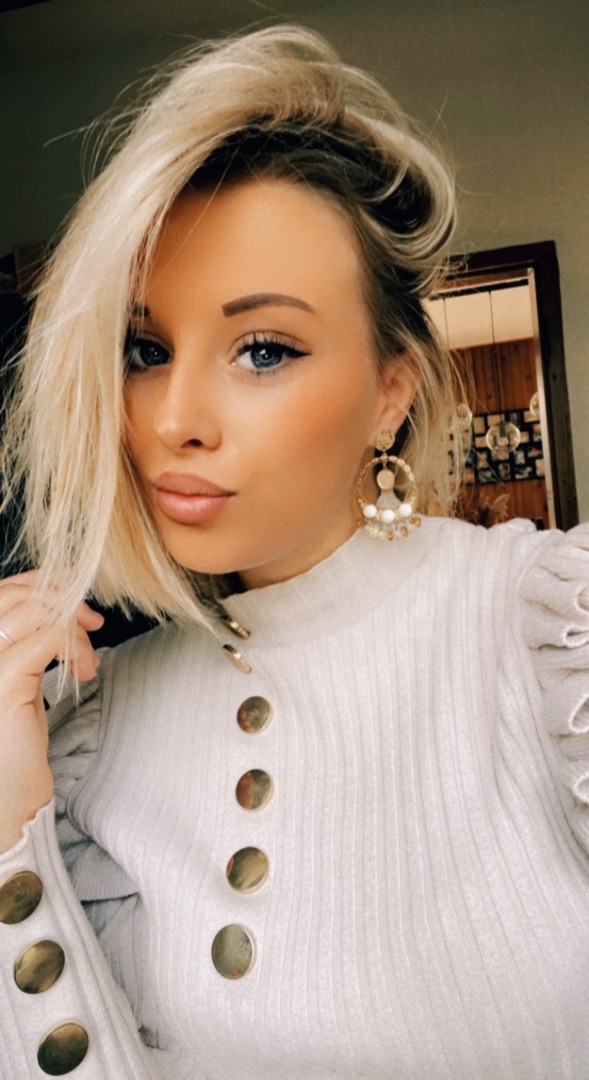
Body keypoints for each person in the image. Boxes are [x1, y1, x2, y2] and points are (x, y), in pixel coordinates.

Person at [0, 24, 588, 1080]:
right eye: (144, 349)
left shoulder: (547, 634)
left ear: (391, 393)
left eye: (263, 349)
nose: (173, 419)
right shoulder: (87, 729)